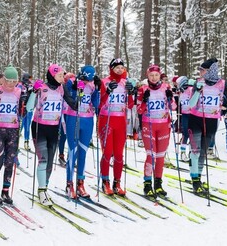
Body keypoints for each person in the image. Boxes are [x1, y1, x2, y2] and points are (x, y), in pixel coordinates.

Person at [26, 64, 75, 205]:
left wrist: (80, 92)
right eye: (60, 75)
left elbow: (73, 104)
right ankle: (41, 191)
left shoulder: (62, 88)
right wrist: (34, 92)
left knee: (49, 162)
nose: (62, 78)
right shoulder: (42, 88)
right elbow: (29, 108)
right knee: (43, 160)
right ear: (52, 76)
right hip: (40, 128)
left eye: (63, 75)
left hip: (54, 129)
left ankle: (44, 188)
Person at [136, 65, 176, 198]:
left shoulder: (166, 88)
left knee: (160, 156)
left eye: (156, 75)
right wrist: (144, 100)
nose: (154, 78)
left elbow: (173, 107)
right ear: (148, 76)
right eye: (151, 75)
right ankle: (147, 184)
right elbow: (139, 110)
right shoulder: (143, 88)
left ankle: (158, 184)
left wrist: (171, 98)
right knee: (151, 155)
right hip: (149, 124)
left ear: (160, 76)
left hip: (164, 125)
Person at [187, 58, 225, 195]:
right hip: (196, 120)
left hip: (211, 122)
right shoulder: (198, 83)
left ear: (210, 71)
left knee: (203, 153)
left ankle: (199, 177)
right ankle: (195, 181)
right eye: (200, 70)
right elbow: (190, 104)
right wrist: (197, 91)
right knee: (195, 151)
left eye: (203, 70)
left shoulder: (221, 84)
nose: (200, 72)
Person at [62, 65, 100, 198]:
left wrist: (97, 90)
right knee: (73, 151)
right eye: (84, 78)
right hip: (73, 117)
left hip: (88, 120)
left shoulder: (92, 85)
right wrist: (73, 89)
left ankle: (80, 183)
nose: (86, 82)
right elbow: (66, 96)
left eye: (88, 79)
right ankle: (69, 183)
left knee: (83, 151)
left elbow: (96, 103)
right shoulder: (72, 82)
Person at [98, 58, 135, 196]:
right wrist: (107, 91)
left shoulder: (126, 83)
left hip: (120, 121)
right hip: (106, 120)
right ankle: (105, 181)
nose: (119, 70)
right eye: (117, 67)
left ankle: (117, 183)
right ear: (111, 69)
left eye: (122, 67)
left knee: (119, 154)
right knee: (107, 152)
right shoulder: (104, 81)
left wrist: (131, 93)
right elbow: (99, 104)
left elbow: (130, 105)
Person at [0, 66, 26, 205]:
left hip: (13, 130)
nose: (11, 84)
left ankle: (5, 190)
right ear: (3, 80)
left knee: (10, 161)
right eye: (8, 80)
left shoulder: (18, 91)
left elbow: (24, 111)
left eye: (14, 81)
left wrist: (25, 99)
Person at [174, 76, 192, 161]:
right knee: (185, 134)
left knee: (192, 134)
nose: (177, 85)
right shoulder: (181, 91)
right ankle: (183, 152)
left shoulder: (191, 89)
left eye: (178, 84)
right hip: (184, 114)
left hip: (193, 115)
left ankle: (192, 152)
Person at [20, 73, 33, 150]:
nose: (30, 80)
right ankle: (16, 142)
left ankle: (26, 142)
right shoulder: (20, 85)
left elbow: (34, 96)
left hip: (28, 108)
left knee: (27, 126)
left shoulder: (31, 86)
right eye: (29, 78)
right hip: (21, 108)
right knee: (20, 125)